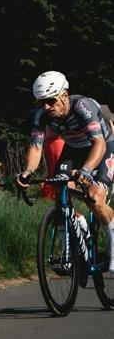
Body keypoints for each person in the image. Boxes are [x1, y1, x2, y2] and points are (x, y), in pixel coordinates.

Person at [16, 71, 114, 254]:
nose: (46, 107)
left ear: (65, 95)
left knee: (94, 199)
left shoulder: (82, 106)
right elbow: (36, 146)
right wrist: (28, 171)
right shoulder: (41, 114)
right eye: (41, 102)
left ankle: (113, 238)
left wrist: (86, 170)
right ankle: (73, 233)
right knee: (60, 188)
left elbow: (99, 144)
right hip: (73, 149)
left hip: (102, 147)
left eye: (51, 101)